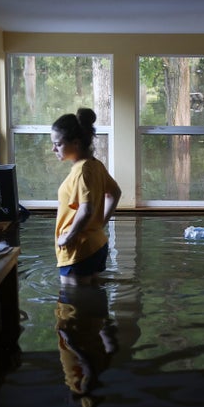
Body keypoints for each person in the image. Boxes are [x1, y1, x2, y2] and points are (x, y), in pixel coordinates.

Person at [51, 107, 121, 287]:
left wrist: (68, 237)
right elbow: (115, 193)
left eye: (58, 144)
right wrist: (101, 223)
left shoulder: (81, 171)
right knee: (95, 305)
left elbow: (86, 208)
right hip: (97, 244)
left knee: (73, 309)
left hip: (78, 250)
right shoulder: (95, 165)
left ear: (75, 143)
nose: (53, 149)